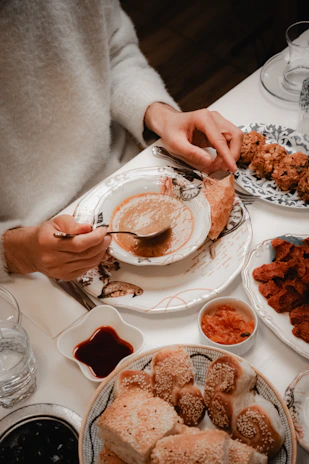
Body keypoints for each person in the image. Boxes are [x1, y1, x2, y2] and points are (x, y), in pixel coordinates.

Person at [0, 0, 243, 282]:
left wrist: (161, 115)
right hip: (25, 264)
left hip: (126, 166)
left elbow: (114, 54)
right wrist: (17, 253)